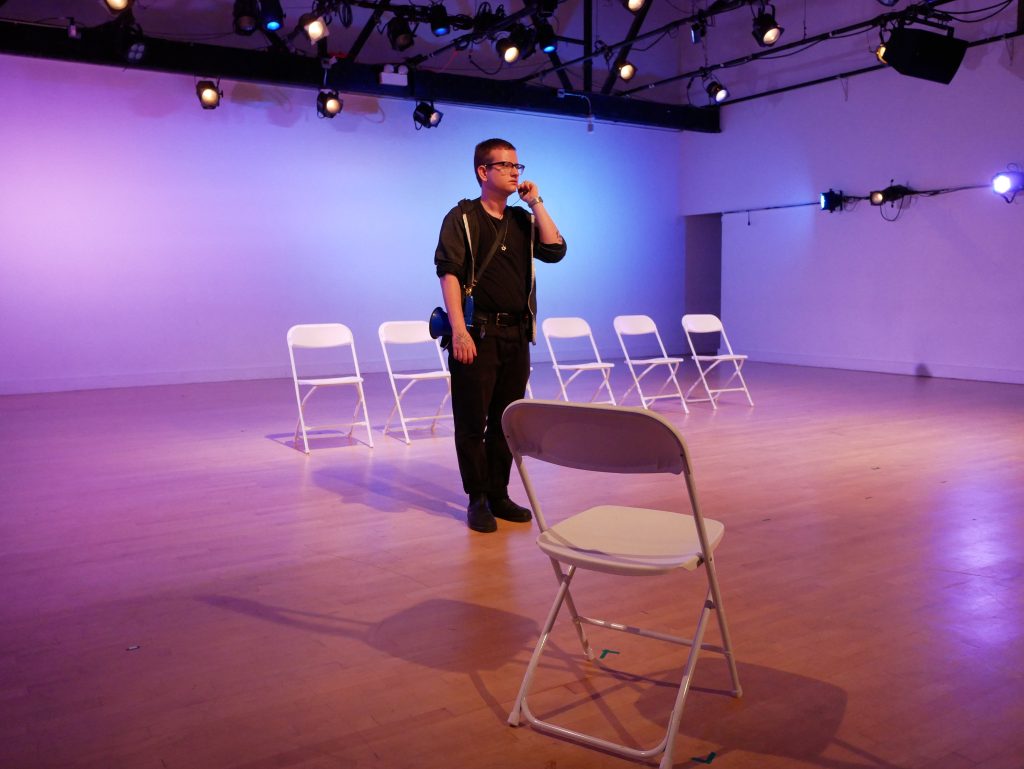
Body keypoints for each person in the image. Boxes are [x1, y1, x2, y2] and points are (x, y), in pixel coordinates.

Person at [434, 138, 567, 533]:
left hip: (515, 335)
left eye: (517, 166)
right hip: (477, 333)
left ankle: (499, 493)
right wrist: (459, 330)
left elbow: (556, 250)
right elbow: (450, 273)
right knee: (472, 422)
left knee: (507, 421)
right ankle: (477, 498)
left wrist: (536, 203)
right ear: (483, 172)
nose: (514, 172)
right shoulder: (461, 219)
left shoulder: (523, 221)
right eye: (505, 165)